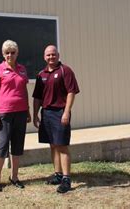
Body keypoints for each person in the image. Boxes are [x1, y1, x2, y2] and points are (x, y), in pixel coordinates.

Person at [32, 45, 80, 194]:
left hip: (60, 112)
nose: (51, 57)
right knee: (53, 145)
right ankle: (58, 175)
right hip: (46, 114)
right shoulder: (41, 74)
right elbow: (37, 97)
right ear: (44, 57)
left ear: (58, 55)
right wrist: (35, 115)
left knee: (62, 145)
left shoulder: (66, 71)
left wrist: (66, 112)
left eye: (53, 54)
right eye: (48, 55)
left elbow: (71, 92)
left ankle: (66, 179)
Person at [0, 40, 31, 192]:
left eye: (13, 52)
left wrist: (27, 110)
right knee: (3, 144)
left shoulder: (22, 69)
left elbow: (24, 91)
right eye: (7, 52)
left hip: (20, 112)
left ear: (17, 53)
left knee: (18, 145)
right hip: (4, 113)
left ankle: (14, 177)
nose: (10, 55)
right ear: (3, 54)